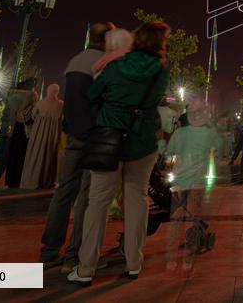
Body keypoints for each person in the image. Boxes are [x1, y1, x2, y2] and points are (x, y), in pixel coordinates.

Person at [68, 21, 170, 286]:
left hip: (108, 141)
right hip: (142, 143)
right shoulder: (160, 72)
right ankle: (134, 263)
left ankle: (86, 267)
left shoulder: (115, 66)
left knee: (98, 203)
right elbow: (154, 100)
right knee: (137, 199)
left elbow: (93, 93)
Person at [39, 21, 115, 270]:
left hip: (73, 136)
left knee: (63, 194)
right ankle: (74, 255)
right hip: (94, 138)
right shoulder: (105, 65)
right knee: (87, 198)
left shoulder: (75, 62)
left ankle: (49, 250)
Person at [166, 99, 220, 263]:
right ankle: (191, 244)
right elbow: (218, 147)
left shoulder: (179, 134)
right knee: (193, 212)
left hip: (179, 180)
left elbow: (170, 153)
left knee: (178, 214)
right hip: (196, 181)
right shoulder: (206, 134)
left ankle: (175, 251)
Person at [21, 83, 63, 189]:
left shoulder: (40, 103)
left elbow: (34, 116)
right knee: (49, 157)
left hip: (38, 133)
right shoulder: (61, 105)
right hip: (52, 135)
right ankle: (46, 180)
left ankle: (32, 180)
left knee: (36, 154)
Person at [4, 78, 38, 188]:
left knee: (11, 156)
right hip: (25, 136)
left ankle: (9, 180)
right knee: (21, 157)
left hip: (15, 133)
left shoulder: (18, 110)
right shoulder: (32, 111)